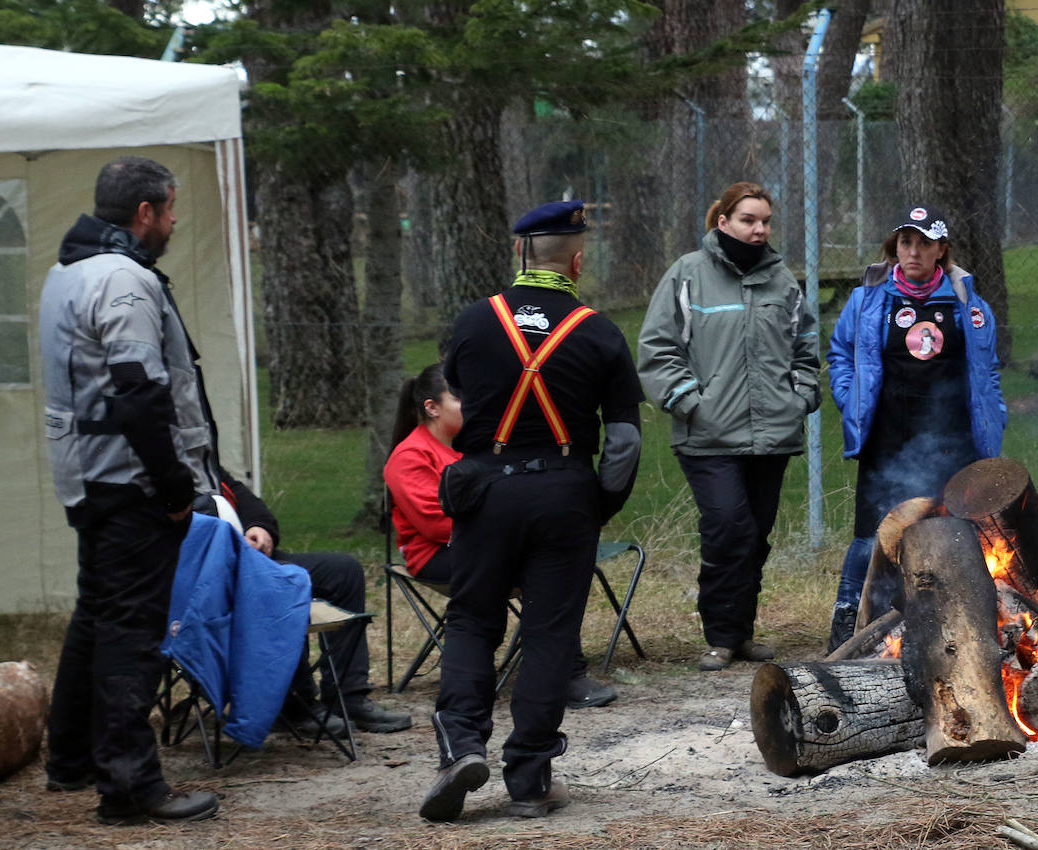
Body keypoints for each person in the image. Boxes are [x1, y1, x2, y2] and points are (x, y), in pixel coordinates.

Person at [417, 200, 643, 822]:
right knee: (549, 631)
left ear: (521, 254)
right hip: (564, 492)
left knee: (471, 621)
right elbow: (624, 441)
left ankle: (461, 745)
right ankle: (529, 778)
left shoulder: (473, 322)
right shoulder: (598, 331)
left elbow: (462, 392)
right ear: (575, 260)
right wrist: (598, 502)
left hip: (486, 490)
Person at [38, 156, 219, 825]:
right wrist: (174, 485)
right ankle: (129, 787)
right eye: (170, 210)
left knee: (96, 615)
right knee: (131, 632)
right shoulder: (121, 278)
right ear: (144, 213)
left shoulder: (66, 272)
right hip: (129, 478)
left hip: (86, 472)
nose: (173, 223)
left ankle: (71, 758)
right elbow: (140, 392)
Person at [637, 181, 822, 673]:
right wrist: (690, 404)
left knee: (755, 536)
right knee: (727, 528)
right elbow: (657, 349)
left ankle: (740, 634)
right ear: (723, 222)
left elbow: (805, 347)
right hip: (709, 436)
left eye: (765, 221)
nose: (758, 229)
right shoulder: (687, 275)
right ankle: (718, 635)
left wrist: (799, 396)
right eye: (748, 220)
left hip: (771, 436)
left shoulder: (783, 281)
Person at [825, 204, 1007, 652]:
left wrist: (993, 417)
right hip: (888, 438)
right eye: (906, 242)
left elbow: (988, 371)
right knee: (872, 535)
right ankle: (850, 626)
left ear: (941, 250)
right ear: (895, 247)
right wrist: (851, 400)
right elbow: (840, 355)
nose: (913, 251)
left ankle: (962, 630)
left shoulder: (967, 303)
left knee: (959, 533)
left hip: (951, 439)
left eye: (924, 243)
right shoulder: (868, 299)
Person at [383, 364, 618, 709]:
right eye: (461, 399)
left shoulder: (481, 445)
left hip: (491, 543)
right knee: (536, 566)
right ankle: (564, 675)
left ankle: (555, 671)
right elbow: (435, 523)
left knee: (550, 558)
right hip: (436, 555)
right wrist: (510, 525)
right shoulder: (410, 456)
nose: (475, 406)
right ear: (432, 407)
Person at [215, 473, 413, 734]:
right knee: (282, 583)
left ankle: (347, 696)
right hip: (211, 580)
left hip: (252, 563)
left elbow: (247, 501)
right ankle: (295, 706)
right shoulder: (160, 475)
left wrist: (258, 527)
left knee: (343, 572)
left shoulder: (207, 465)